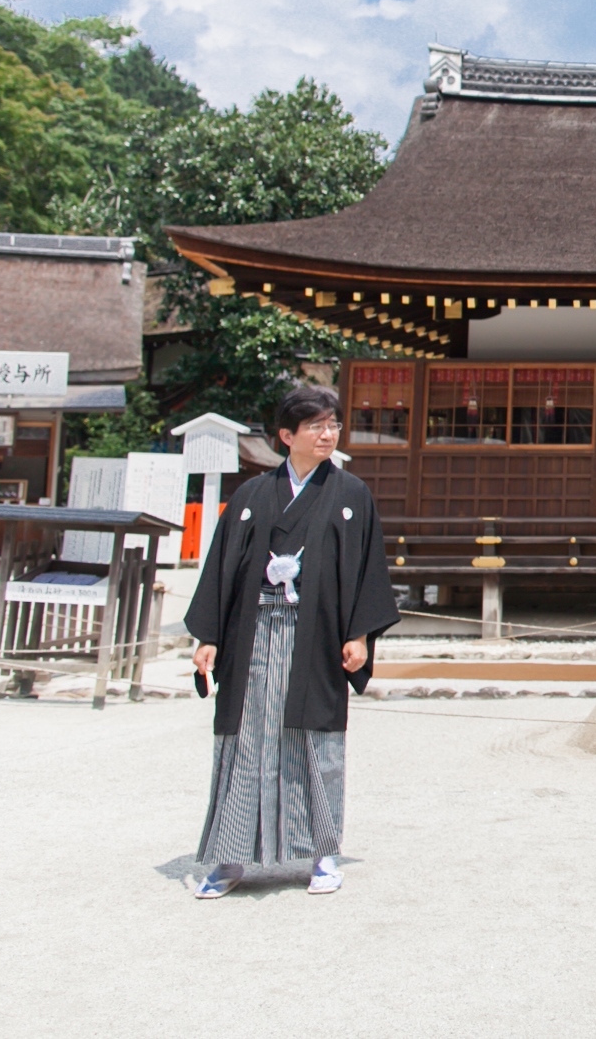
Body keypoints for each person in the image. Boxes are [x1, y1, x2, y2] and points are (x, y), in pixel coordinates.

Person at [186, 386, 398, 900]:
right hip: (252, 634)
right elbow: (222, 567)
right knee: (245, 741)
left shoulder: (350, 495)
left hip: (318, 635)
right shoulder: (252, 496)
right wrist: (208, 636)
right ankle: (231, 854)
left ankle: (322, 853)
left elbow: (367, 567)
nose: (329, 435)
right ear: (287, 436)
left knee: (314, 739)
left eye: (334, 426)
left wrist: (360, 634)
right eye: (316, 427)